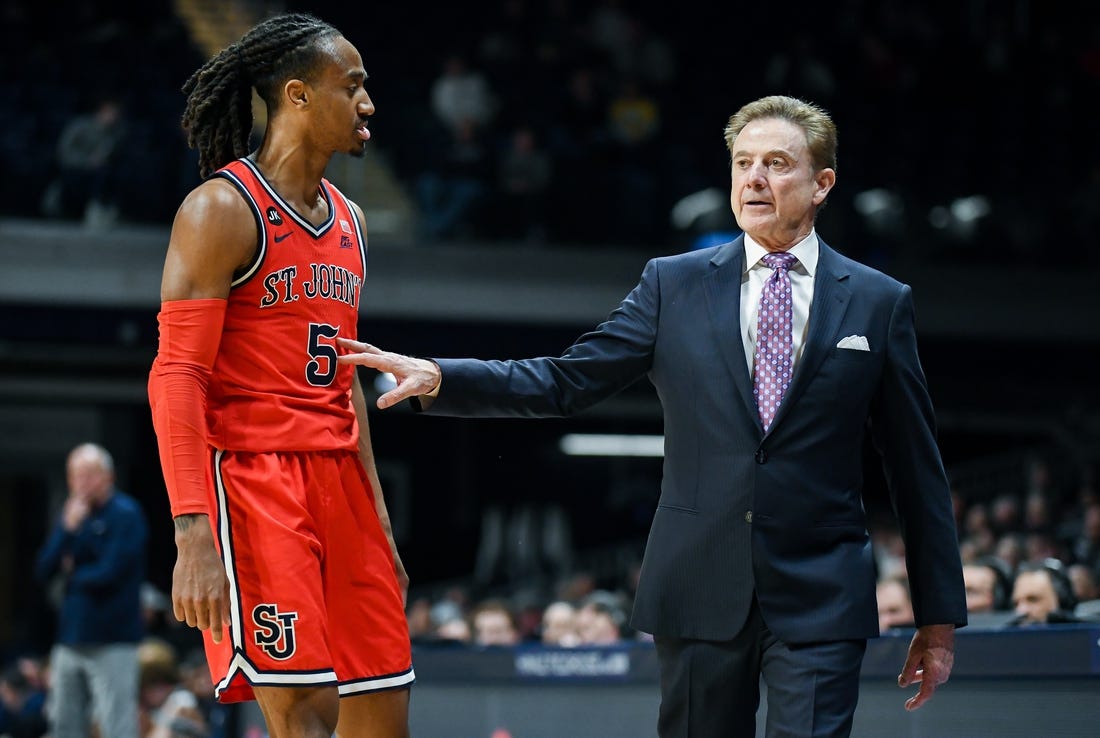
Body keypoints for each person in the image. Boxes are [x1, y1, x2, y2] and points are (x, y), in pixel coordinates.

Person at [339, 94, 967, 737]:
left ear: (821, 184)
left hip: (822, 593)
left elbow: (916, 467)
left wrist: (937, 619)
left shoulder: (877, 301)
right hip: (697, 583)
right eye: (742, 163)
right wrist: (445, 379)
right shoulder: (673, 283)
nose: (754, 179)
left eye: (776, 164)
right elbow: (568, 380)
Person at [146, 13, 413, 738]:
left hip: (343, 486)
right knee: (306, 715)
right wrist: (192, 535)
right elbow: (175, 377)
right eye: (351, 86)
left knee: (385, 709)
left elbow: (347, 380)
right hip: (257, 482)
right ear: (297, 95)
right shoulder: (220, 211)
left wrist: (380, 525)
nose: (367, 103)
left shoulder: (353, 222)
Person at [33, 443, 148, 738]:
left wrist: (72, 574)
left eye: (89, 475)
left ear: (108, 476)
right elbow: (44, 568)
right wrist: (67, 530)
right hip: (70, 638)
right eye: (75, 476)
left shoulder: (126, 514)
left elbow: (110, 572)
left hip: (113, 638)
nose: (81, 483)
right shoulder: (72, 516)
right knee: (63, 722)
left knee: (116, 724)